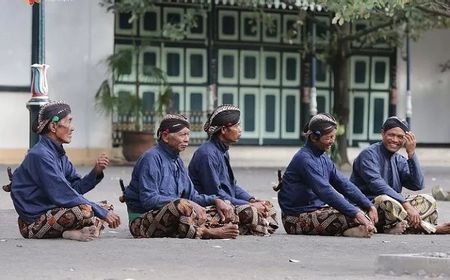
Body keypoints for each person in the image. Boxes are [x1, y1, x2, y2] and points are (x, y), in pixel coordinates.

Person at [10, 101, 121, 241]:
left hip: (56, 211)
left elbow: (75, 188)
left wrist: (96, 171)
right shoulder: (40, 155)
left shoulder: (59, 154)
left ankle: (85, 230)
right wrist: (99, 212)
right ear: (54, 126)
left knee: (107, 207)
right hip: (33, 222)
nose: (73, 128)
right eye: (69, 121)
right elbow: (64, 194)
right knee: (87, 211)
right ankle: (68, 232)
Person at [124, 114, 245, 239]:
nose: (187, 139)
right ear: (165, 136)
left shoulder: (178, 161)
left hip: (178, 216)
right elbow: (149, 200)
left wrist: (215, 200)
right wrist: (186, 203)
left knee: (223, 207)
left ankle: (216, 227)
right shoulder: (151, 158)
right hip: (142, 221)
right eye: (182, 135)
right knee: (179, 206)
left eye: (188, 134)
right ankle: (206, 232)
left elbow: (192, 196)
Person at [278, 113, 378, 237]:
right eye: (328, 137)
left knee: (363, 211)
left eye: (333, 137)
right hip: (295, 218)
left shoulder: (323, 157)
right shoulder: (304, 159)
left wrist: (368, 205)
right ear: (314, 138)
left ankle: (354, 228)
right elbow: (325, 191)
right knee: (351, 215)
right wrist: (356, 213)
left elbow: (344, 184)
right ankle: (351, 230)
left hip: (317, 210)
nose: (332, 141)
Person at [351, 116, 450, 234]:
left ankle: (400, 226)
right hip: (367, 207)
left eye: (400, 137)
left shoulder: (399, 159)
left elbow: (417, 184)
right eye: (391, 135)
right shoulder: (368, 155)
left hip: (394, 206)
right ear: (382, 133)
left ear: (406, 139)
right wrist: (406, 205)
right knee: (386, 200)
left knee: (427, 200)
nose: (395, 140)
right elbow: (378, 186)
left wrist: (411, 154)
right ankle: (431, 229)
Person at [188, 104, 278, 235]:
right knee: (251, 212)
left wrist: (251, 200)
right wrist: (250, 206)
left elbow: (232, 185)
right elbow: (216, 193)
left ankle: (243, 226)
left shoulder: (222, 151)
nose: (240, 129)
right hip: (211, 206)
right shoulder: (207, 154)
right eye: (236, 126)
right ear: (224, 130)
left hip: (228, 201)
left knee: (268, 207)